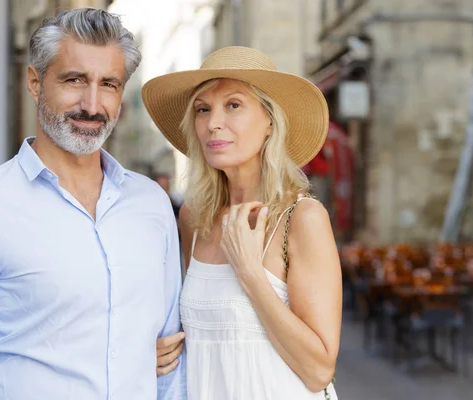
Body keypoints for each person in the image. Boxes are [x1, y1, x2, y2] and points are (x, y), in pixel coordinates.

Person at [0, 8, 185, 399]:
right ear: (35, 82)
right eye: (74, 80)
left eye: (110, 84)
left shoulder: (150, 204)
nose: (92, 104)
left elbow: (170, 362)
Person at [143, 46, 342, 399]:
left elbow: (318, 370)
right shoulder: (194, 219)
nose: (213, 122)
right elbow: (212, 335)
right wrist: (154, 352)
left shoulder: (302, 219)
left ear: (270, 121)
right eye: (203, 109)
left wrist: (250, 273)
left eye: (233, 105)